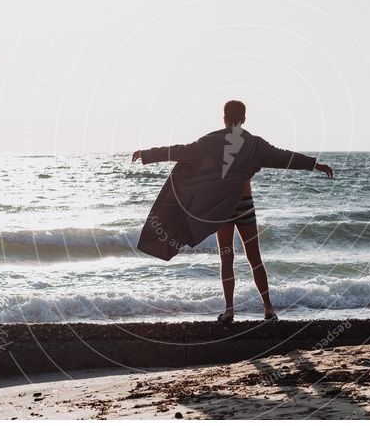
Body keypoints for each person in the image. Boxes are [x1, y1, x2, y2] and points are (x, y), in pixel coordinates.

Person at [132, 100, 333, 322]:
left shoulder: (211, 141)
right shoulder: (254, 144)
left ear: (224, 118)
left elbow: (182, 151)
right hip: (245, 205)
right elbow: (284, 157)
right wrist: (315, 164)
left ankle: (229, 310)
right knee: (254, 258)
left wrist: (147, 154)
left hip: (222, 209)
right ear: (244, 118)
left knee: (226, 257)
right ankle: (268, 309)